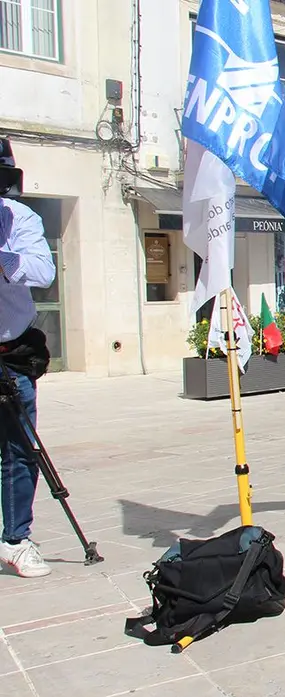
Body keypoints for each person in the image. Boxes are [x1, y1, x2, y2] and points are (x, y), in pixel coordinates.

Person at [0, 138, 55, 578]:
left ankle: (15, 539)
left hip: (10, 353)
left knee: (20, 451)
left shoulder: (20, 218)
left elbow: (42, 272)